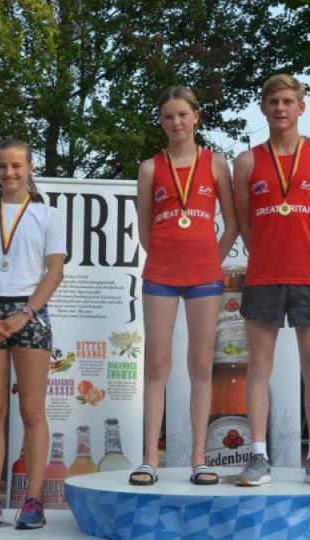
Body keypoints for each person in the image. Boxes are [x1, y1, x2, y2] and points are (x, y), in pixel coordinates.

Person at [232, 74, 310, 486]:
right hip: (264, 276)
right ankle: (259, 457)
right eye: (273, 101)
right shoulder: (247, 161)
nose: (280, 108)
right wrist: (265, 255)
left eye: (287, 101)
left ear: (301, 107)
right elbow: (244, 223)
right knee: (258, 367)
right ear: (262, 108)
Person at [129, 86, 238, 486]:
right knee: (157, 365)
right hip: (160, 274)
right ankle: (148, 460)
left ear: (196, 117)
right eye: (168, 116)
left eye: (182, 114)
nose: (176, 122)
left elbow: (233, 222)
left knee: (200, 365)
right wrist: (166, 254)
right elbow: (144, 229)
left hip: (204, 276)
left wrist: (212, 256)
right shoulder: (149, 168)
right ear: (161, 122)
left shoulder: (216, 164)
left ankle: (199, 458)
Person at [0, 139, 65, 530]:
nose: (10, 173)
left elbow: (55, 272)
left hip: (30, 313)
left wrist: (26, 314)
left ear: (30, 167)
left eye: (17, 166)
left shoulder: (47, 215)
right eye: (3, 167)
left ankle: (33, 502)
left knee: (32, 412)